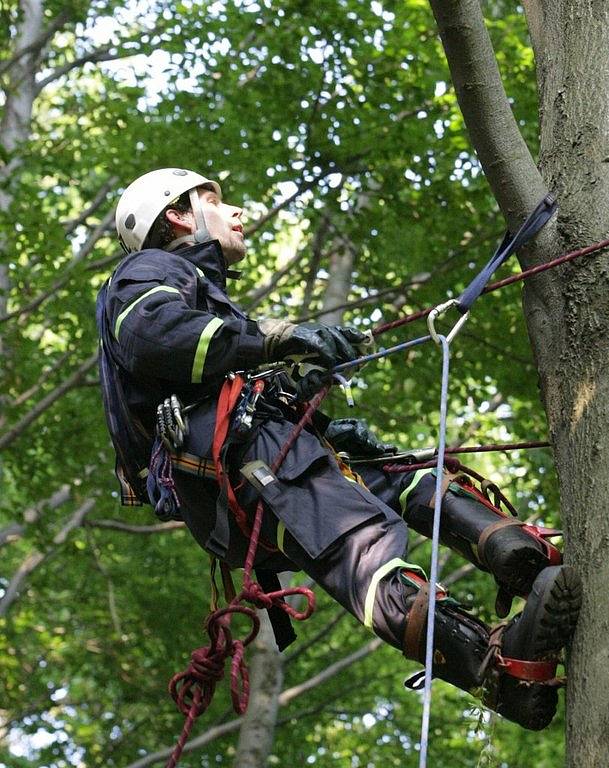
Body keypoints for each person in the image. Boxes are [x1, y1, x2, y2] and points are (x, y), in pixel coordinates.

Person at [97, 167, 581, 731]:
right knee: (359, 547)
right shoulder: (151, 270)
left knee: (400, 474)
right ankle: (497, 669)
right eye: (215, 200)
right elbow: (156, 336)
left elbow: (207, 365)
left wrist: (314, 416)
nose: (238, 214)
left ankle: (519, 556)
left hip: (254, 457)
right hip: (238, 461)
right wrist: (278, 336)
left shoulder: (198, 289)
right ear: (178, 215)